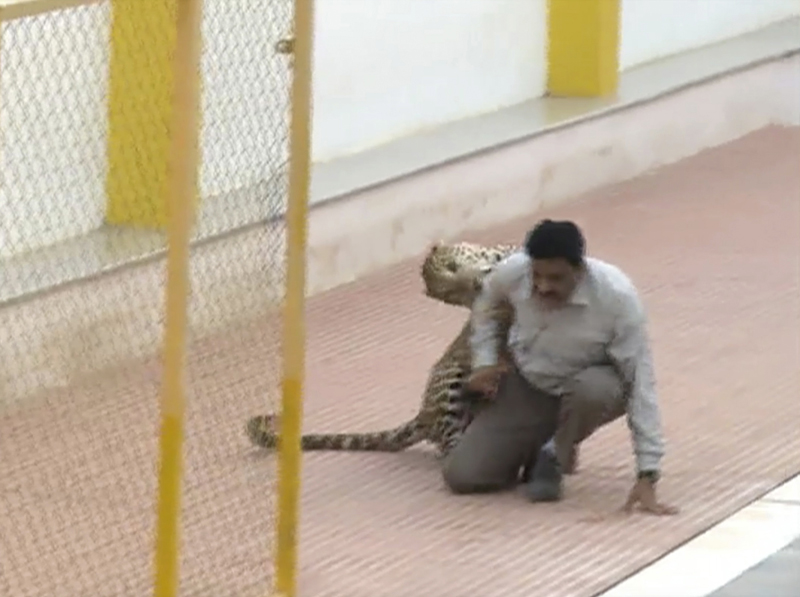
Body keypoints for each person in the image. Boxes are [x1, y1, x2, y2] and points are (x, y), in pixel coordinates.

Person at [442, 219, 678, 515]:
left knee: (596, 390)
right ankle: (532, 446)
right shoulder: (513, 272)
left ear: (579, 269)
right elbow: (486, 307)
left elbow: (640, 382)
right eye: (537, 276)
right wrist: (485, 361)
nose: (543, 286)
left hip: (587, 387)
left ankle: (556, 453)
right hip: (529, 382)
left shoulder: (616, 298)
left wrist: (648, 471)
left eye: (555, 278)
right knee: (464, 477)